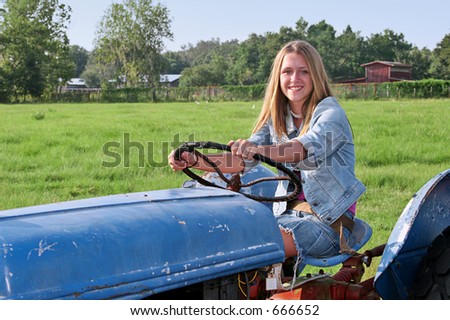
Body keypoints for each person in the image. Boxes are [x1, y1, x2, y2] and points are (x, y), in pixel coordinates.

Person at [168, 40, 365, 263]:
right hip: (287, 216)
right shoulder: (277, 118)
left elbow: (300, 149)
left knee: (251, 244)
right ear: (278, 77)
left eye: (304, 72)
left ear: (316, 75)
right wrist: (193, 160)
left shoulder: (330, 114)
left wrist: (257, 150)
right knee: (224, 232)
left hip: (327, 225)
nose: (294, 79)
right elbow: (240, 161)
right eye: (287, 72)